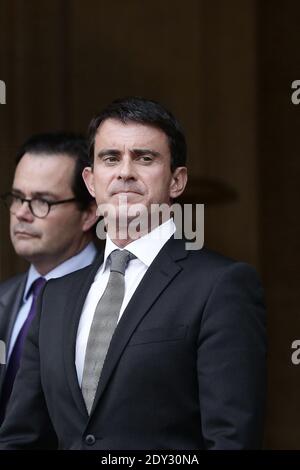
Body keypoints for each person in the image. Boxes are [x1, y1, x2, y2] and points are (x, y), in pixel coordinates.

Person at [0, 98, 266, 449]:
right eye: (111, 158)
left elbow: (232, 440)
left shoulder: (221, 285)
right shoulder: (56, 295)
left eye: (144, 158)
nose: (125, 171)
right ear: (91, 181)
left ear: (176, 181)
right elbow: (22, 438)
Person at [0, 132, 99, 423]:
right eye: (17, 197)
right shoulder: (4, 298)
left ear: (89, 213)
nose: (21, 213)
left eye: (43, 201)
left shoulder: (116, 296)